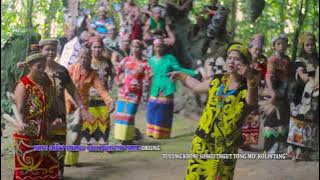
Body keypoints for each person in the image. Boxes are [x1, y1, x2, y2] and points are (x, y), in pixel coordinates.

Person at [168, 43, 259, 180]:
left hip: (225, 145)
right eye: (229, 58)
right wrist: (181, 75)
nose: (231, 61)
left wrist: (251, 78)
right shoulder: (217, 80)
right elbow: (197, 86)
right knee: (196, 175)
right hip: (203, 139)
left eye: (236, 59)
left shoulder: (247, 87)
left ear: (245, 64)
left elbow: (251, 101)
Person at [39, 39, 92, 179]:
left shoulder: (62, 70)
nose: (50, 52)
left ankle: (58, 173)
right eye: (47, 49)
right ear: (41, 51)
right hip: (40, 116)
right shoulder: (36, 69)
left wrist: (83, 109)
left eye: (53, 49)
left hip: (59, 115)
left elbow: (73, 91)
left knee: (58, 146)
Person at [12, 53, 59, 179]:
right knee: (28, 171)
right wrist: (20, 124)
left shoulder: (47, 83)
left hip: (46, 133)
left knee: (48, 169)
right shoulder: (23, 85)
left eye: (43, 66)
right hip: (28, 135)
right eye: (38, 67)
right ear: (29, 67)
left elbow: (51, 106)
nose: (42, 69)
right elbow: (19, 110)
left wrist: (55, 120)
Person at [64, 47, 114, 166]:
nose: (84, 60)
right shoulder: (70, 69)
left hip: (82, 107)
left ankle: (72, 161)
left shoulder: (93, 74)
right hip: (67, 104)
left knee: (76, 133)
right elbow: (67, 89)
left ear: (90, 59)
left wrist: (110, 101)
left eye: (86, 57)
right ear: (78, 58)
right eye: (82, 57)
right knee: (66, 133)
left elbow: (101, 90)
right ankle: (63, 160)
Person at [146, 39, 197, 139]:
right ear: (153, 47)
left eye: (161, 46)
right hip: (154, 88)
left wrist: (194, 73)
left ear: (164, 48)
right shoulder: (150, 60)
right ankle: (151, 133)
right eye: (156, 46)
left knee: (163, 112)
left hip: (167, 88)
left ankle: (162, 134)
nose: (158, 48)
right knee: (152, 110)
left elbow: (178, 69)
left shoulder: (170, 58)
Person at [287, 32, 319, 160]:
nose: (310, 47)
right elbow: (302, 74)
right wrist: (307, 77)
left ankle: (306, 150)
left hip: (315, 98)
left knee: (310, 123)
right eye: (307, 45)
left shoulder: (317, 60)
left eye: (312, 44)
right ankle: (294, 150)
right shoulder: (299, 61)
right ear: (303, 46)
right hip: (300, 97)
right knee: (298, 122)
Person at [114, 40, 152, 144]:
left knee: (129, 115)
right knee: (120, 115)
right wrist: (118, 82)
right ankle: (121, 138)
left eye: (138, 47)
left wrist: (147, 94)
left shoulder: (145, 63)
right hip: (123, 92)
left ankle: (127, 139)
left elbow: (148, 79)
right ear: (131, 48)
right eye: (133, 47)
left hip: (135, 94)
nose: (135, 49)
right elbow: (116, 72)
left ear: (141, 49)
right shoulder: (126, 60)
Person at [81, 36, 114, 145]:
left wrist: (110, 86)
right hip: (89, 95)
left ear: (102, 48)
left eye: (99, 47)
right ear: (91, 48)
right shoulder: (87, 62)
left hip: (103, 95)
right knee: (89, 119)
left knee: (104, 119)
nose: (97, 49)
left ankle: (104, 143)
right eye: (95, 47)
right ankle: (90, 143)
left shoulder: (107, 61)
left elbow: (112, 75)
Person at [262, 34, 290, 154]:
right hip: (273, 92)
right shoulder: (272, 59)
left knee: (282, 120)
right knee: (271, 119)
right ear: (274, 46)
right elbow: (268, 76)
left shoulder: (287, 60)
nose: (281, 46)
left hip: (283, 93)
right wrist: (272, 92)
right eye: (278, 43)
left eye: (283, 43)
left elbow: (288, 77)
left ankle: (280, 145)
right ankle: (269, 148)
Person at [241, 34, 267, 148]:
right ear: (250, 48)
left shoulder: (263, 62)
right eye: (256, 49)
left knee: (254, 115)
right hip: (243, 91)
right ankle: (239, 141)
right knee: (242, 115)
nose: (258, 51)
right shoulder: (243, 60)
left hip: (256, 92)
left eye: (260, 50)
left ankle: (248, 142)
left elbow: (266, 77)